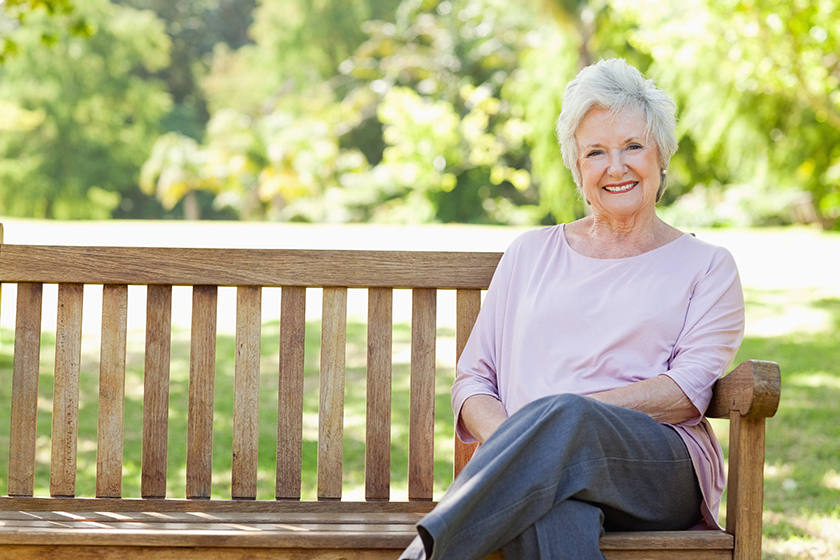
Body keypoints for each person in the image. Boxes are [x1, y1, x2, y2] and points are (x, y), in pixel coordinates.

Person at [399, 58, 745, 560]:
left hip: (655, 470)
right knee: (551, 509)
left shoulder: (707, 266)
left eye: (633, 146)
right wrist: (526, 442)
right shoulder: (529, 253)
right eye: (596, 152)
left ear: (662, 155)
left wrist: (558, 419)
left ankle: (426, 555)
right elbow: (475, 381)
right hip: (536, 472)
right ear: (577, 167)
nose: (617, 166)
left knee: (567, 417)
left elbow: (686, 392)